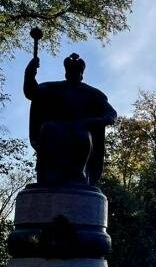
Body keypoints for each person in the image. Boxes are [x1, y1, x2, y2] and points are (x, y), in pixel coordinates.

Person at [23, 52, 117, 187]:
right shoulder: (52, 88)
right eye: (70, 72)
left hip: (81, 128)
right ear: (66, 73)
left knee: (81, 135)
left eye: (76, 72)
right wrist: (30, 72)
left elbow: (111, 114)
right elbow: (32, 92)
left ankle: (77, 176)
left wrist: (91, 122)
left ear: (81, 74)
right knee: (49, 129)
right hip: (55, 127)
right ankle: (47, 179)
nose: (72, 75)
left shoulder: (93, 94)